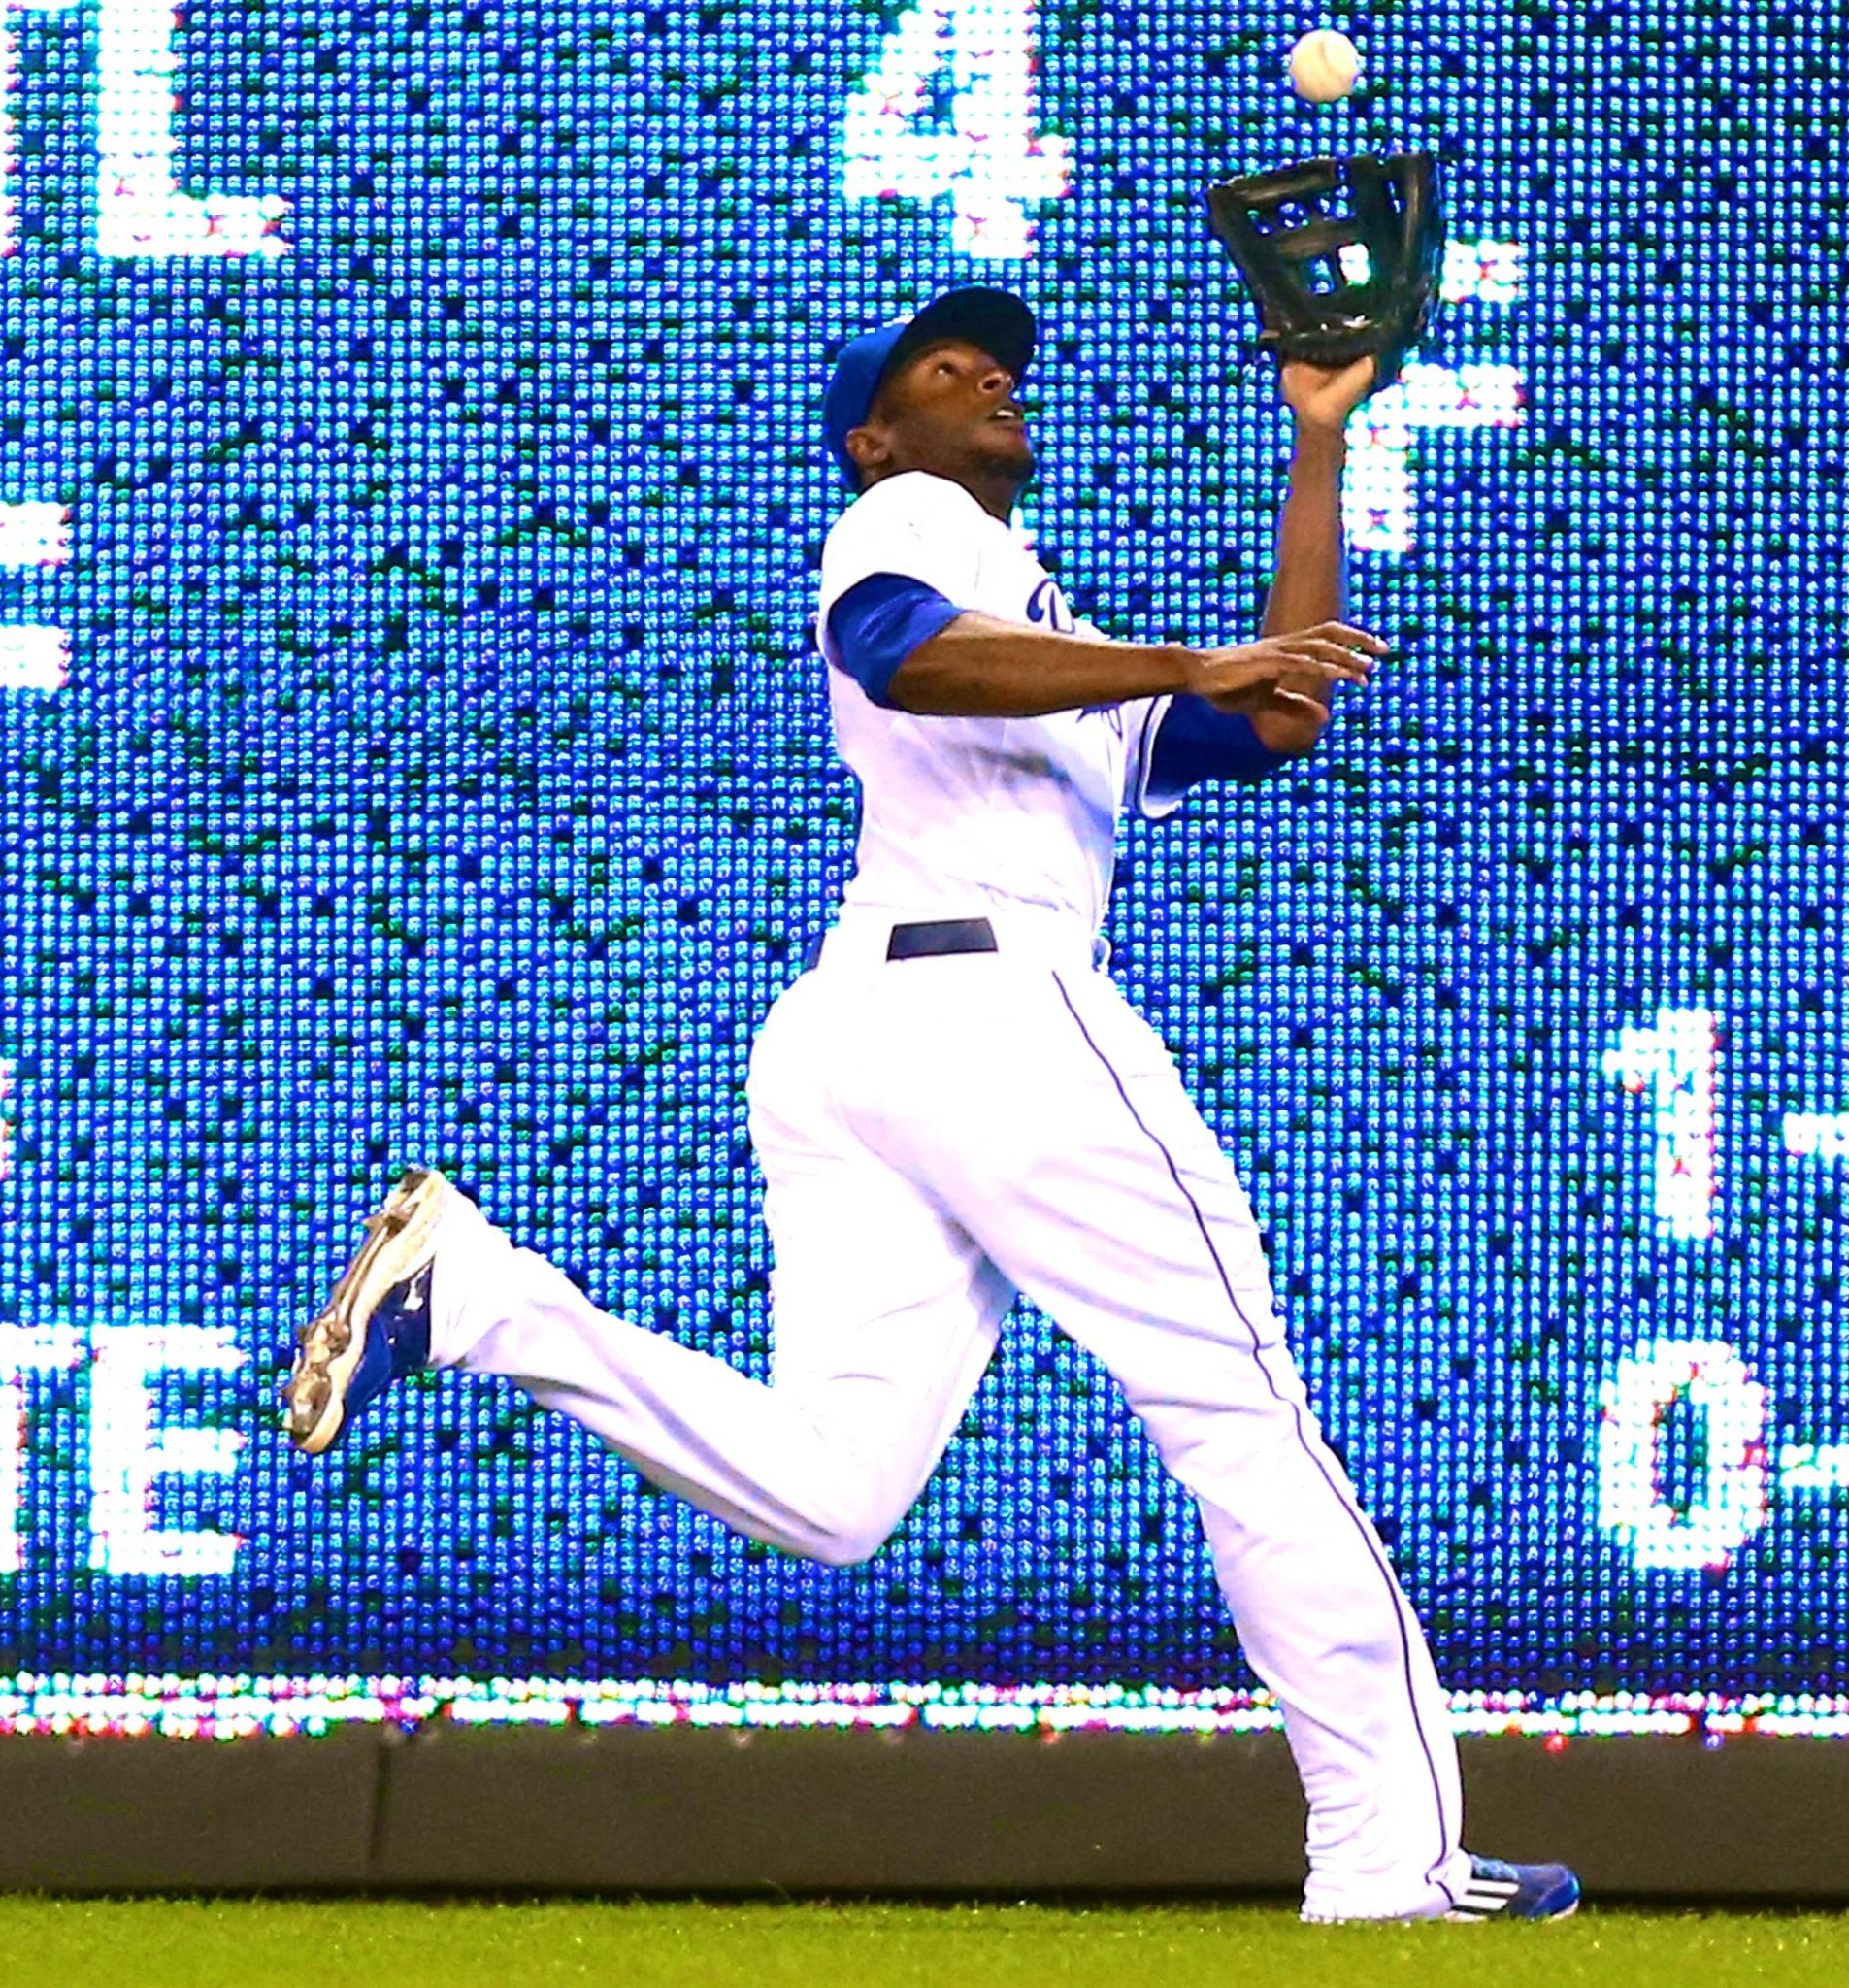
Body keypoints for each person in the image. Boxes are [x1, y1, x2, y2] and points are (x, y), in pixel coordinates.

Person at [285, 284, 1578, 1923]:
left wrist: (1317, 439)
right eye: (941, 369)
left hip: (856, 1036)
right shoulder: (908, 516)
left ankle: (475, 1295)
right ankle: (1389, 1861)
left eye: (1003, 367)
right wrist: (1185, 653)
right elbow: (904, 659)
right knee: (1242, 1418)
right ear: (874, 434)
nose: (989, 379)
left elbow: (1274, 710)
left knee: (833, 1491)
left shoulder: (1051, 637)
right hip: (994, 1017)